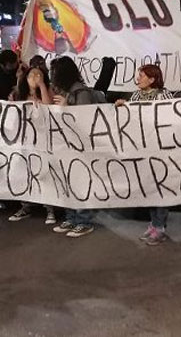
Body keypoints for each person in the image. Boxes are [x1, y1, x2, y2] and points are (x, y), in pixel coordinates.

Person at [115, 64, 174, 246]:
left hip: (160, 149)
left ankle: (160, 227)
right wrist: (122, 107)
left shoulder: (164, 95)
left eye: (141, 75)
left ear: (152, 79)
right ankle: (154, 223)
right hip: (142, 149)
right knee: (148, 187)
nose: (138, 79)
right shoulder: (135, 95)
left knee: (160, 188)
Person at [50, 57, 106, 238]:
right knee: (68, 181)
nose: (52, 76)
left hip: (81, 146)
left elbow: (85, 120)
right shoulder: (63, 91)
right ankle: (71, 217)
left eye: (55, 73)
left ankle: (84, 220)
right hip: (66, 144)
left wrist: (66, 107)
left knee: (81, 182)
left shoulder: (81, 93)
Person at [7, 65, 56, 225]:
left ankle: (50, 209)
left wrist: (42, 86)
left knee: (44, 174)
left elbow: (49, 107)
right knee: (23, 173)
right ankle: (25, 206)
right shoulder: (18, 95)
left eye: (38, 75)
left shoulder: (48, 90)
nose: (34, 78)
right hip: (24, 140)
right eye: (31, 76)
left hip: (43, 140)